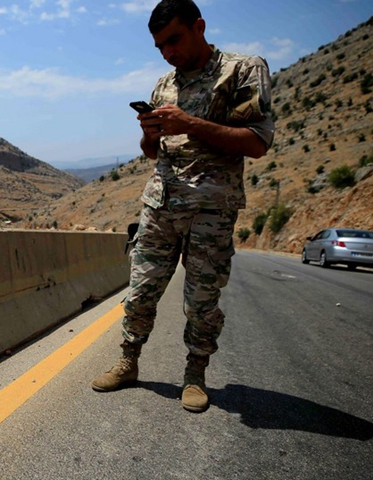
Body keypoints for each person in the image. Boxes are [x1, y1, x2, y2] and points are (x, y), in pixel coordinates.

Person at [91, 0, 274, 413]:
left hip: (211, 210)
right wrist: (150, 134)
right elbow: (152, 154)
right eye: (160, 47)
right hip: (160, 205)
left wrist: (190, 123)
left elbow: (257, 142)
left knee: (201, 301)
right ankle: (128, 361)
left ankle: (195, 375)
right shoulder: (164, 85)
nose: (168, 53)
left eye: (174, 40)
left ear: (200, 26)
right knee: (140, 292)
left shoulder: (242, 70)